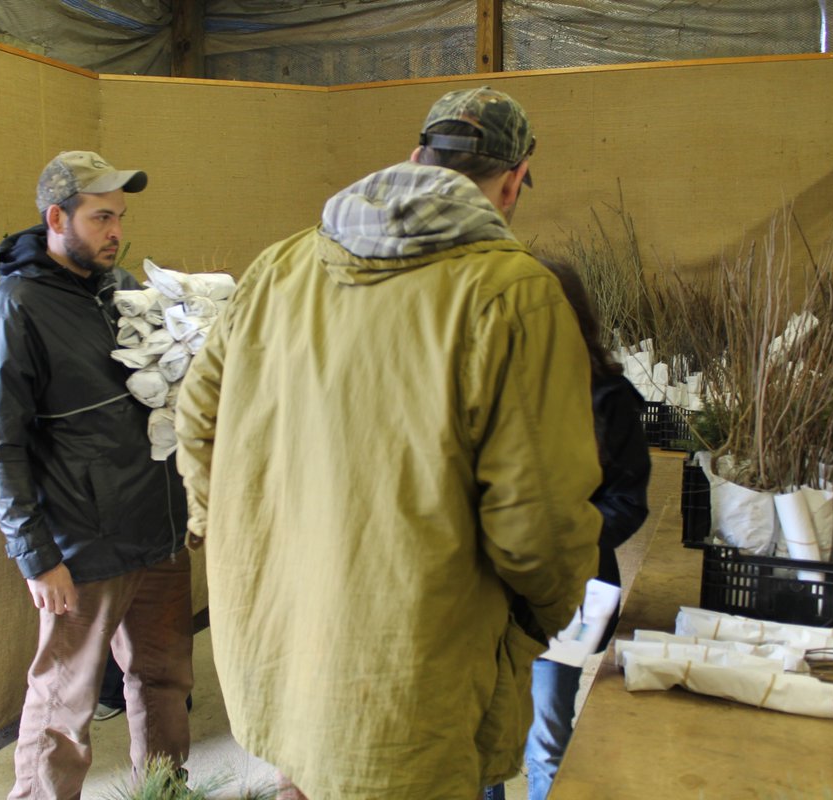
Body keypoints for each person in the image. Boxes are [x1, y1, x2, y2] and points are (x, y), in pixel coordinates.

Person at [175, 87, 603, 800]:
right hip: (411, 685)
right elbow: (541, 521)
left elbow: (197, 420)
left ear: (416, 158)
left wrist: (236, 545)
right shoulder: (512, 294)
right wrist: (547, 619)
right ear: (514, 180)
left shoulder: (279, 268)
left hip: (283, 660)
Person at [0, 150, 194, 799]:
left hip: (158, 531)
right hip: (83, 544)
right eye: (100, 217)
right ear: (55, 218)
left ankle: (164, 791)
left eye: (119, 216)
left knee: (166, 681)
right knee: (64, 706)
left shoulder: (125, 292)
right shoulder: (14, 310)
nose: (115, 230)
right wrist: (37, 556)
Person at [484, 261, 652, 800]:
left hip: (575, 591)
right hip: (491, 590)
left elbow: (629, 500)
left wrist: (564, 533)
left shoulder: (609, 396)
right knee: (481, 737)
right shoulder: (493, 387)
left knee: (547, 737)